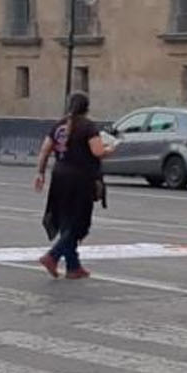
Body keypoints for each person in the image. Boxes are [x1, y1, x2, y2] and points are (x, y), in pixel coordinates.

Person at [35, 92, 114, 278]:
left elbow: (45, 150)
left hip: (59, 176)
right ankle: (52, 256)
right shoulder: (88, 126)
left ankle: (73, 266)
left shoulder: (58, 125)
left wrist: (40, 172)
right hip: (81, 179)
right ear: (87, 107)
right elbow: (97, 152)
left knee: (65, 220)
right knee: (79, 222)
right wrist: (111, 149)